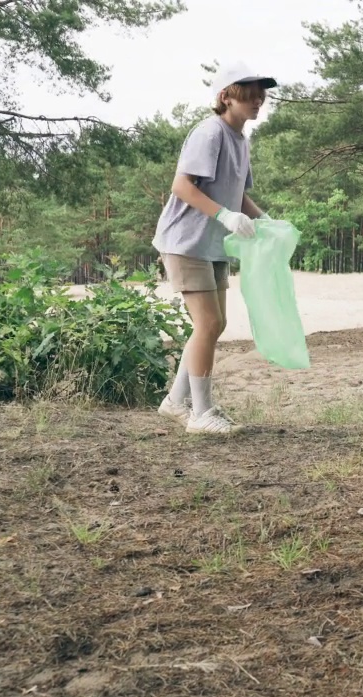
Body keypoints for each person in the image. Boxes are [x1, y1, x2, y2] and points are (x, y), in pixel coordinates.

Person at [153, 63, 276, 434]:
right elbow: (182, 186)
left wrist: (265, 220)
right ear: (226, 96)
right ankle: (201, 413)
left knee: (214, 324)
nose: (258, 100)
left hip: (213, 243)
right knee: (207, 323)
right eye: (249, 92)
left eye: (261, 93)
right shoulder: (210, 133)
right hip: (185, 240)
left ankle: (175, 402)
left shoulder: (241, 140)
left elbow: (238, 194)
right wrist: (225, 216)